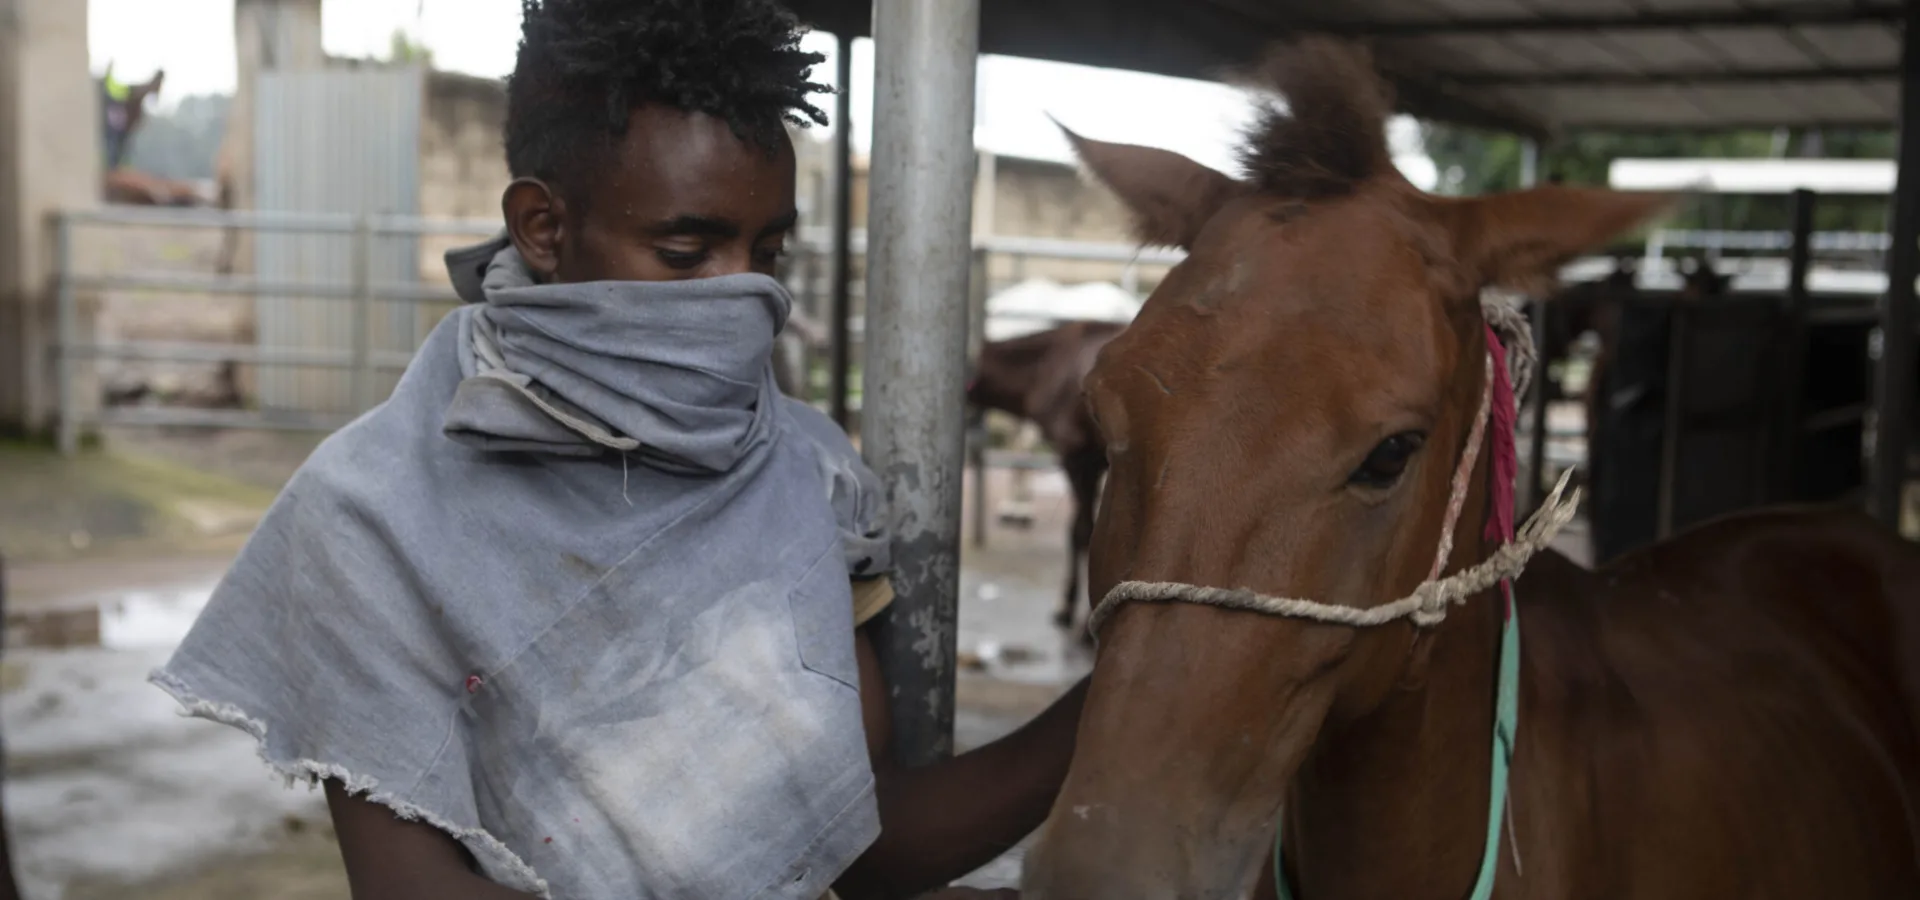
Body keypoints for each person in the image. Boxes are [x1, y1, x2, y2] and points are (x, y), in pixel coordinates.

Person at [149, 1, 1085, 898]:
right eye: (687, 255)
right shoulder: (372, 517)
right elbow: (411, 888)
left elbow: (864, 842)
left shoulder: (808, 476)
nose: (743, 300)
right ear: (543, 228)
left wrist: (1132, 686)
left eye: (769, 255)